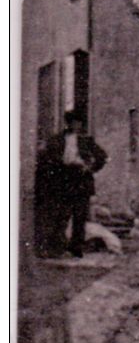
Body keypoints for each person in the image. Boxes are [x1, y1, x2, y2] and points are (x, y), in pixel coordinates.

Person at [34, 110, 108, 258]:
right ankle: (57, 247)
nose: (76, 125)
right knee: (62, 215)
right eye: (73, 122)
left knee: (80, 216)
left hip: (81, 179)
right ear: (68, 123)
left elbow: (102, 156)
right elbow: (48, 157)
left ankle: (76, 248)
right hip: (64, 180)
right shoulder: (58, 139)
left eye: (79, 122)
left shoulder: (87, 140)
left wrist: (91, 168)